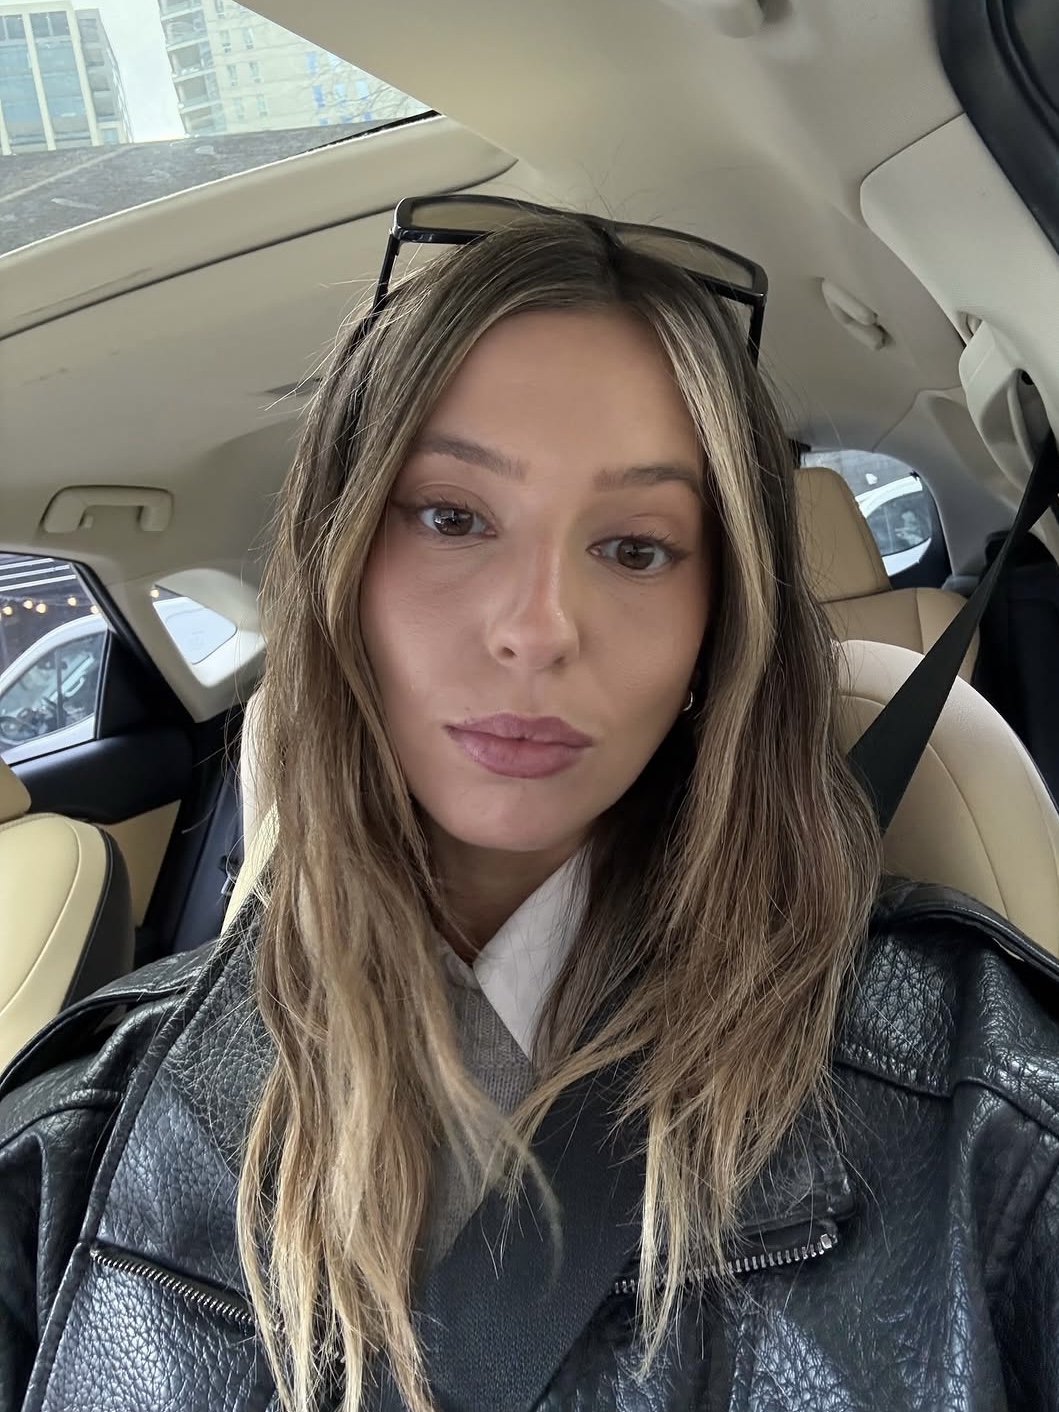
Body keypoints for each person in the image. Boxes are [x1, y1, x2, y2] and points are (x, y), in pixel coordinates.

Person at [2, 198, 1059, 1412]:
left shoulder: (985, 1110)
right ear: (340, 566)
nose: (537, 628)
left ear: (720, 619)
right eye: (453, 517)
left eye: (636, 547)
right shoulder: (78, 1144)